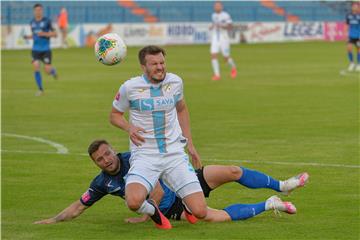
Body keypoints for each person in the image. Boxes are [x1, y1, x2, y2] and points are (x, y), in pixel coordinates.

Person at [34, 140, 309, 225]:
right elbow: (79, 206)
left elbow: (153, 186)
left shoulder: (136, 158)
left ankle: (282, 185)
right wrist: (52, 221)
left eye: (107, 153)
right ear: (95, 163)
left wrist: (144, 215)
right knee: (215, 218)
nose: (106, 160)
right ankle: (270, 204)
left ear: (112, 151)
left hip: (183, 181)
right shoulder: (102, 183)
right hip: (174, 207)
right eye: (99, 159)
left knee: (233, 171)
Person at [110, 45, 207, 229]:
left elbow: (182, 109)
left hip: (174, 154)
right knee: (133, 202)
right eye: (154, 64)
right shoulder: (129, 87)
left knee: (200, 212)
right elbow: (114, 115)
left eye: (162, 62)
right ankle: (154, 211)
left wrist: (190, 144)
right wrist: (129, 127)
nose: (160, 67)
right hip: (145, 155)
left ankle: (187, 204)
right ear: (143, 67)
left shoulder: (175, 82)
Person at [23, 3, 58, 96]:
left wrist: (45, 34)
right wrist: (27, 37)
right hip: (35, 50)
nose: (38, 11)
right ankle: (40, 89)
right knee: (36, 66)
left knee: (47, 70)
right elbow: (35, 35)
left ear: (42, 11)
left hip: (46, 50)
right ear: (34, 11)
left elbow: (55, 34)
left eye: (40, 10)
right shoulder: (32, 22)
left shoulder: (47, 21)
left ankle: (53, 71)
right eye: (36, 10)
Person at [210, 1, 237, 81]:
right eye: (215, 6)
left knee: (226, 57)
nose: (217, 7)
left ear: (221, 7)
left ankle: (233, 68)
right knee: (213, 55)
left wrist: (221, 26)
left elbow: (230, 26)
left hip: (224, 38)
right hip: (215, 38)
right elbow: (215, 24)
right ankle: (217, 75)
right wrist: (212, 26)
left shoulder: (226, 15)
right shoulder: (213, 15)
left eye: (218, 6)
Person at [345, 2, 360, 72]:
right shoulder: (349, 15)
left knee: (358, 50)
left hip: (358, 36)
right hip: (351, 36)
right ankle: (352, 63)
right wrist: (346, 34)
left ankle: (359, 64)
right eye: (354, 6)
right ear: (352, 7)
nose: (355, 7)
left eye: (356, 6)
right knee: (349, 48)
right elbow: (347, 25)